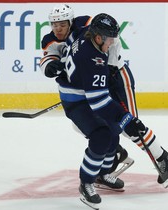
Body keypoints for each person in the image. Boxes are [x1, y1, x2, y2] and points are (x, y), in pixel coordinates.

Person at [54, 13, 168, 209]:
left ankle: (105, 173)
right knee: (107, 132)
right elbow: (99, 103)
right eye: (109, 38)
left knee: (117, 129)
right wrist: (125, 119)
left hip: (96, 84)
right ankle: (88, 180)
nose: (113, 42)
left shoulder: (88, 33)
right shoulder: (93, 59)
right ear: (98, 37)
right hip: (80, 98)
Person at [40, 4, 135, 179]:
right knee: (86, 128)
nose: (58, 29)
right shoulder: (50, 39)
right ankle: (111, 154)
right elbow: (47, 59)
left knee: (122, 126)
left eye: (62, 24)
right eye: (54, 25)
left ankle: (111, 157)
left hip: (105, 81)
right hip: (82, 91)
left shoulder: (86, 24)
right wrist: (50, 66)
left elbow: (113, 39)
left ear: (70, 21)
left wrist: (110, 67)